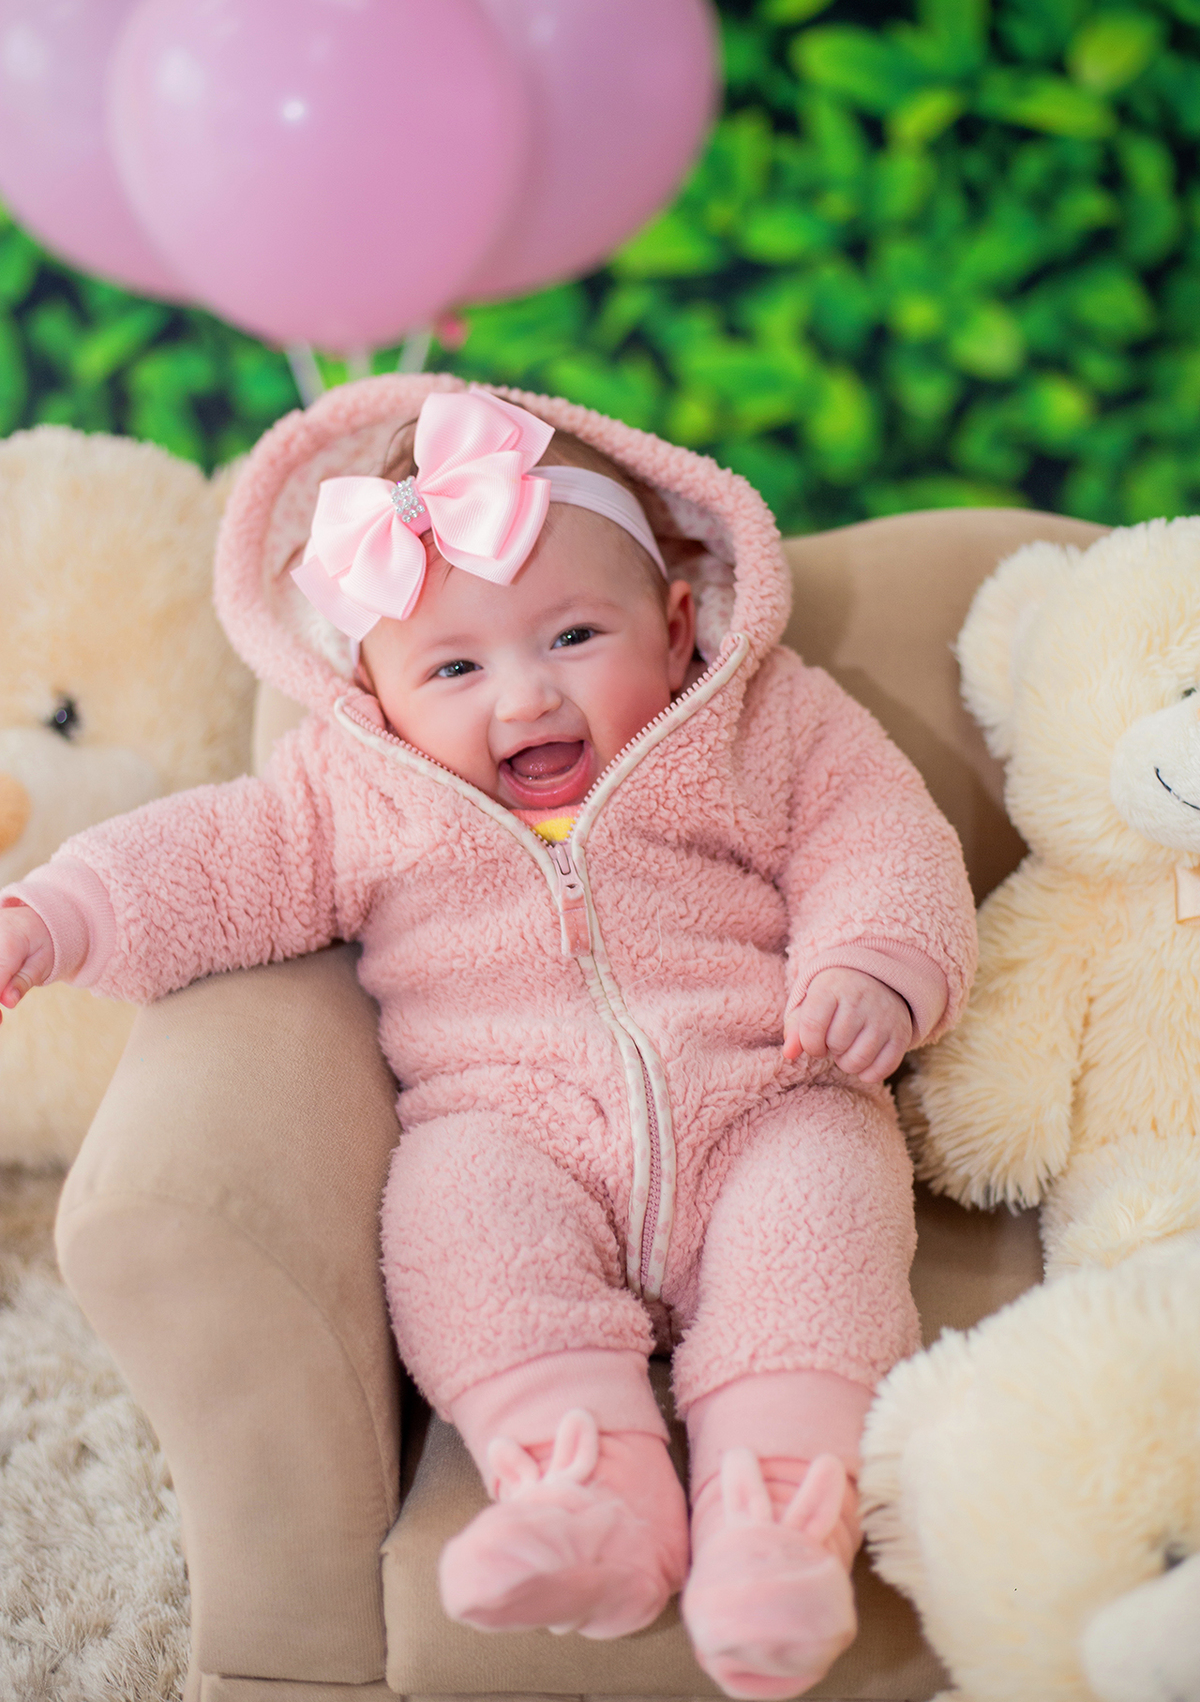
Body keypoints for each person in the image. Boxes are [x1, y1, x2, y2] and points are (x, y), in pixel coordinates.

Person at [0, 382, 976, 1699]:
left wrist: (876, 965)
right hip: (509, 1124)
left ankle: (779, 1516)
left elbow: (879, 835)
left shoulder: (763, 720)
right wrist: (57, 912)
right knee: (455, 1222)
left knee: (823, 1222)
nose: (524, 698)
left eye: (575, 634)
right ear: (377, 692)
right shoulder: (356, 790)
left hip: (770, 1090)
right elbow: (215, 859)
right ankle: (586, 1490)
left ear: (680, 625)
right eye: (455, 667)